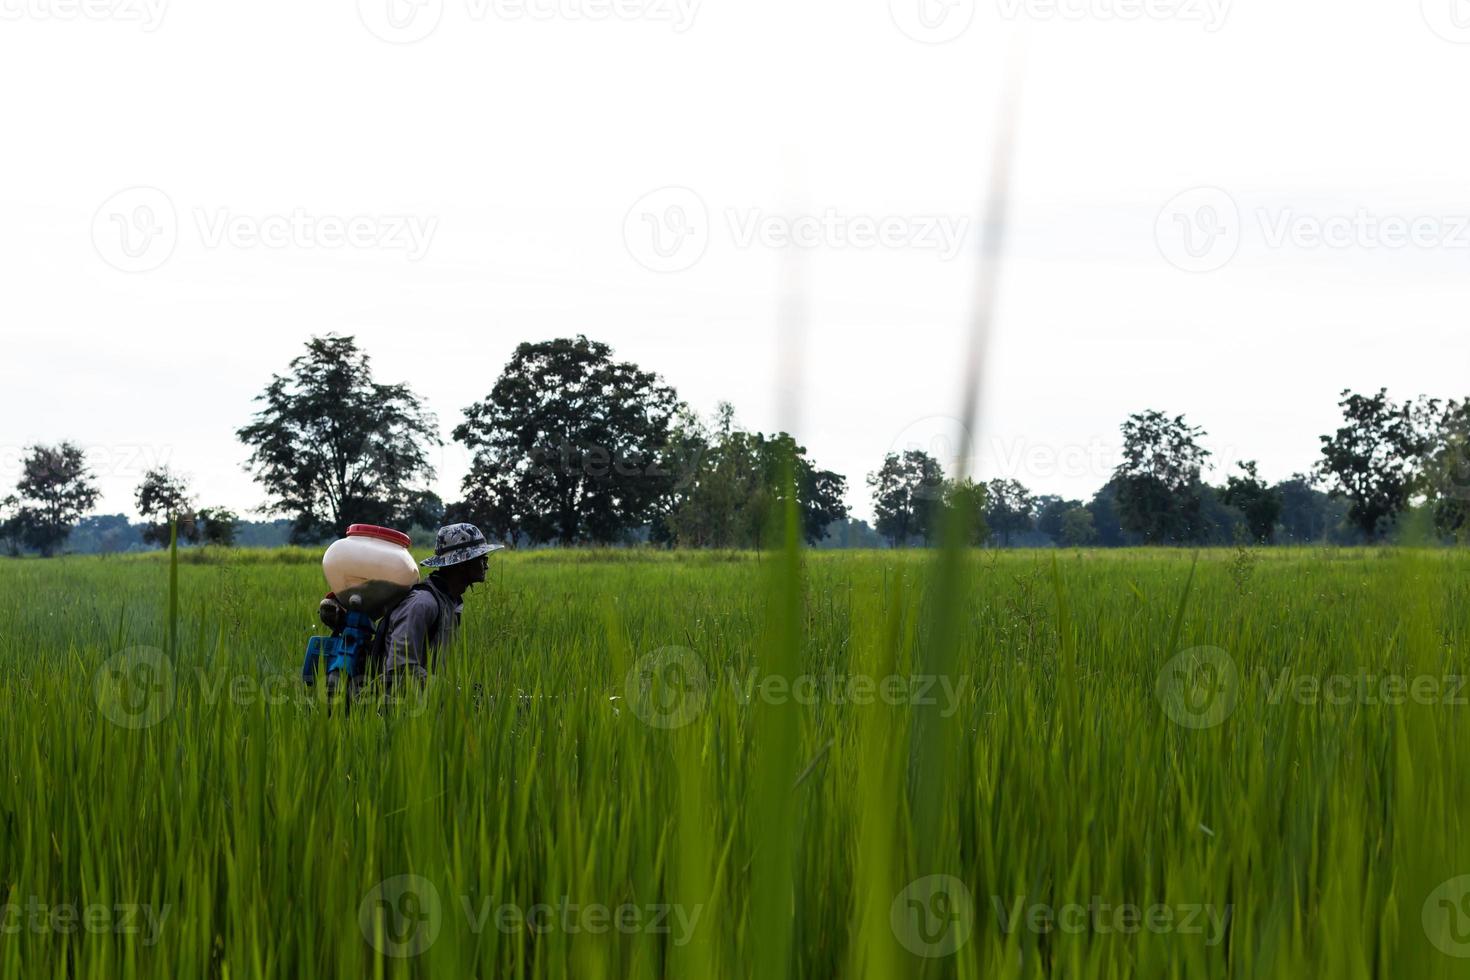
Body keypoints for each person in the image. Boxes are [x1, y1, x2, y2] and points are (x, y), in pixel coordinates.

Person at [319, 523, 502, 692]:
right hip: (394, 706)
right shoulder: (423, 604)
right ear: (462, 564)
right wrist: (452, 693)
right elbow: (400, 670)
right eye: (481, 558)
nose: (486, 565)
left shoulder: (450, 602)